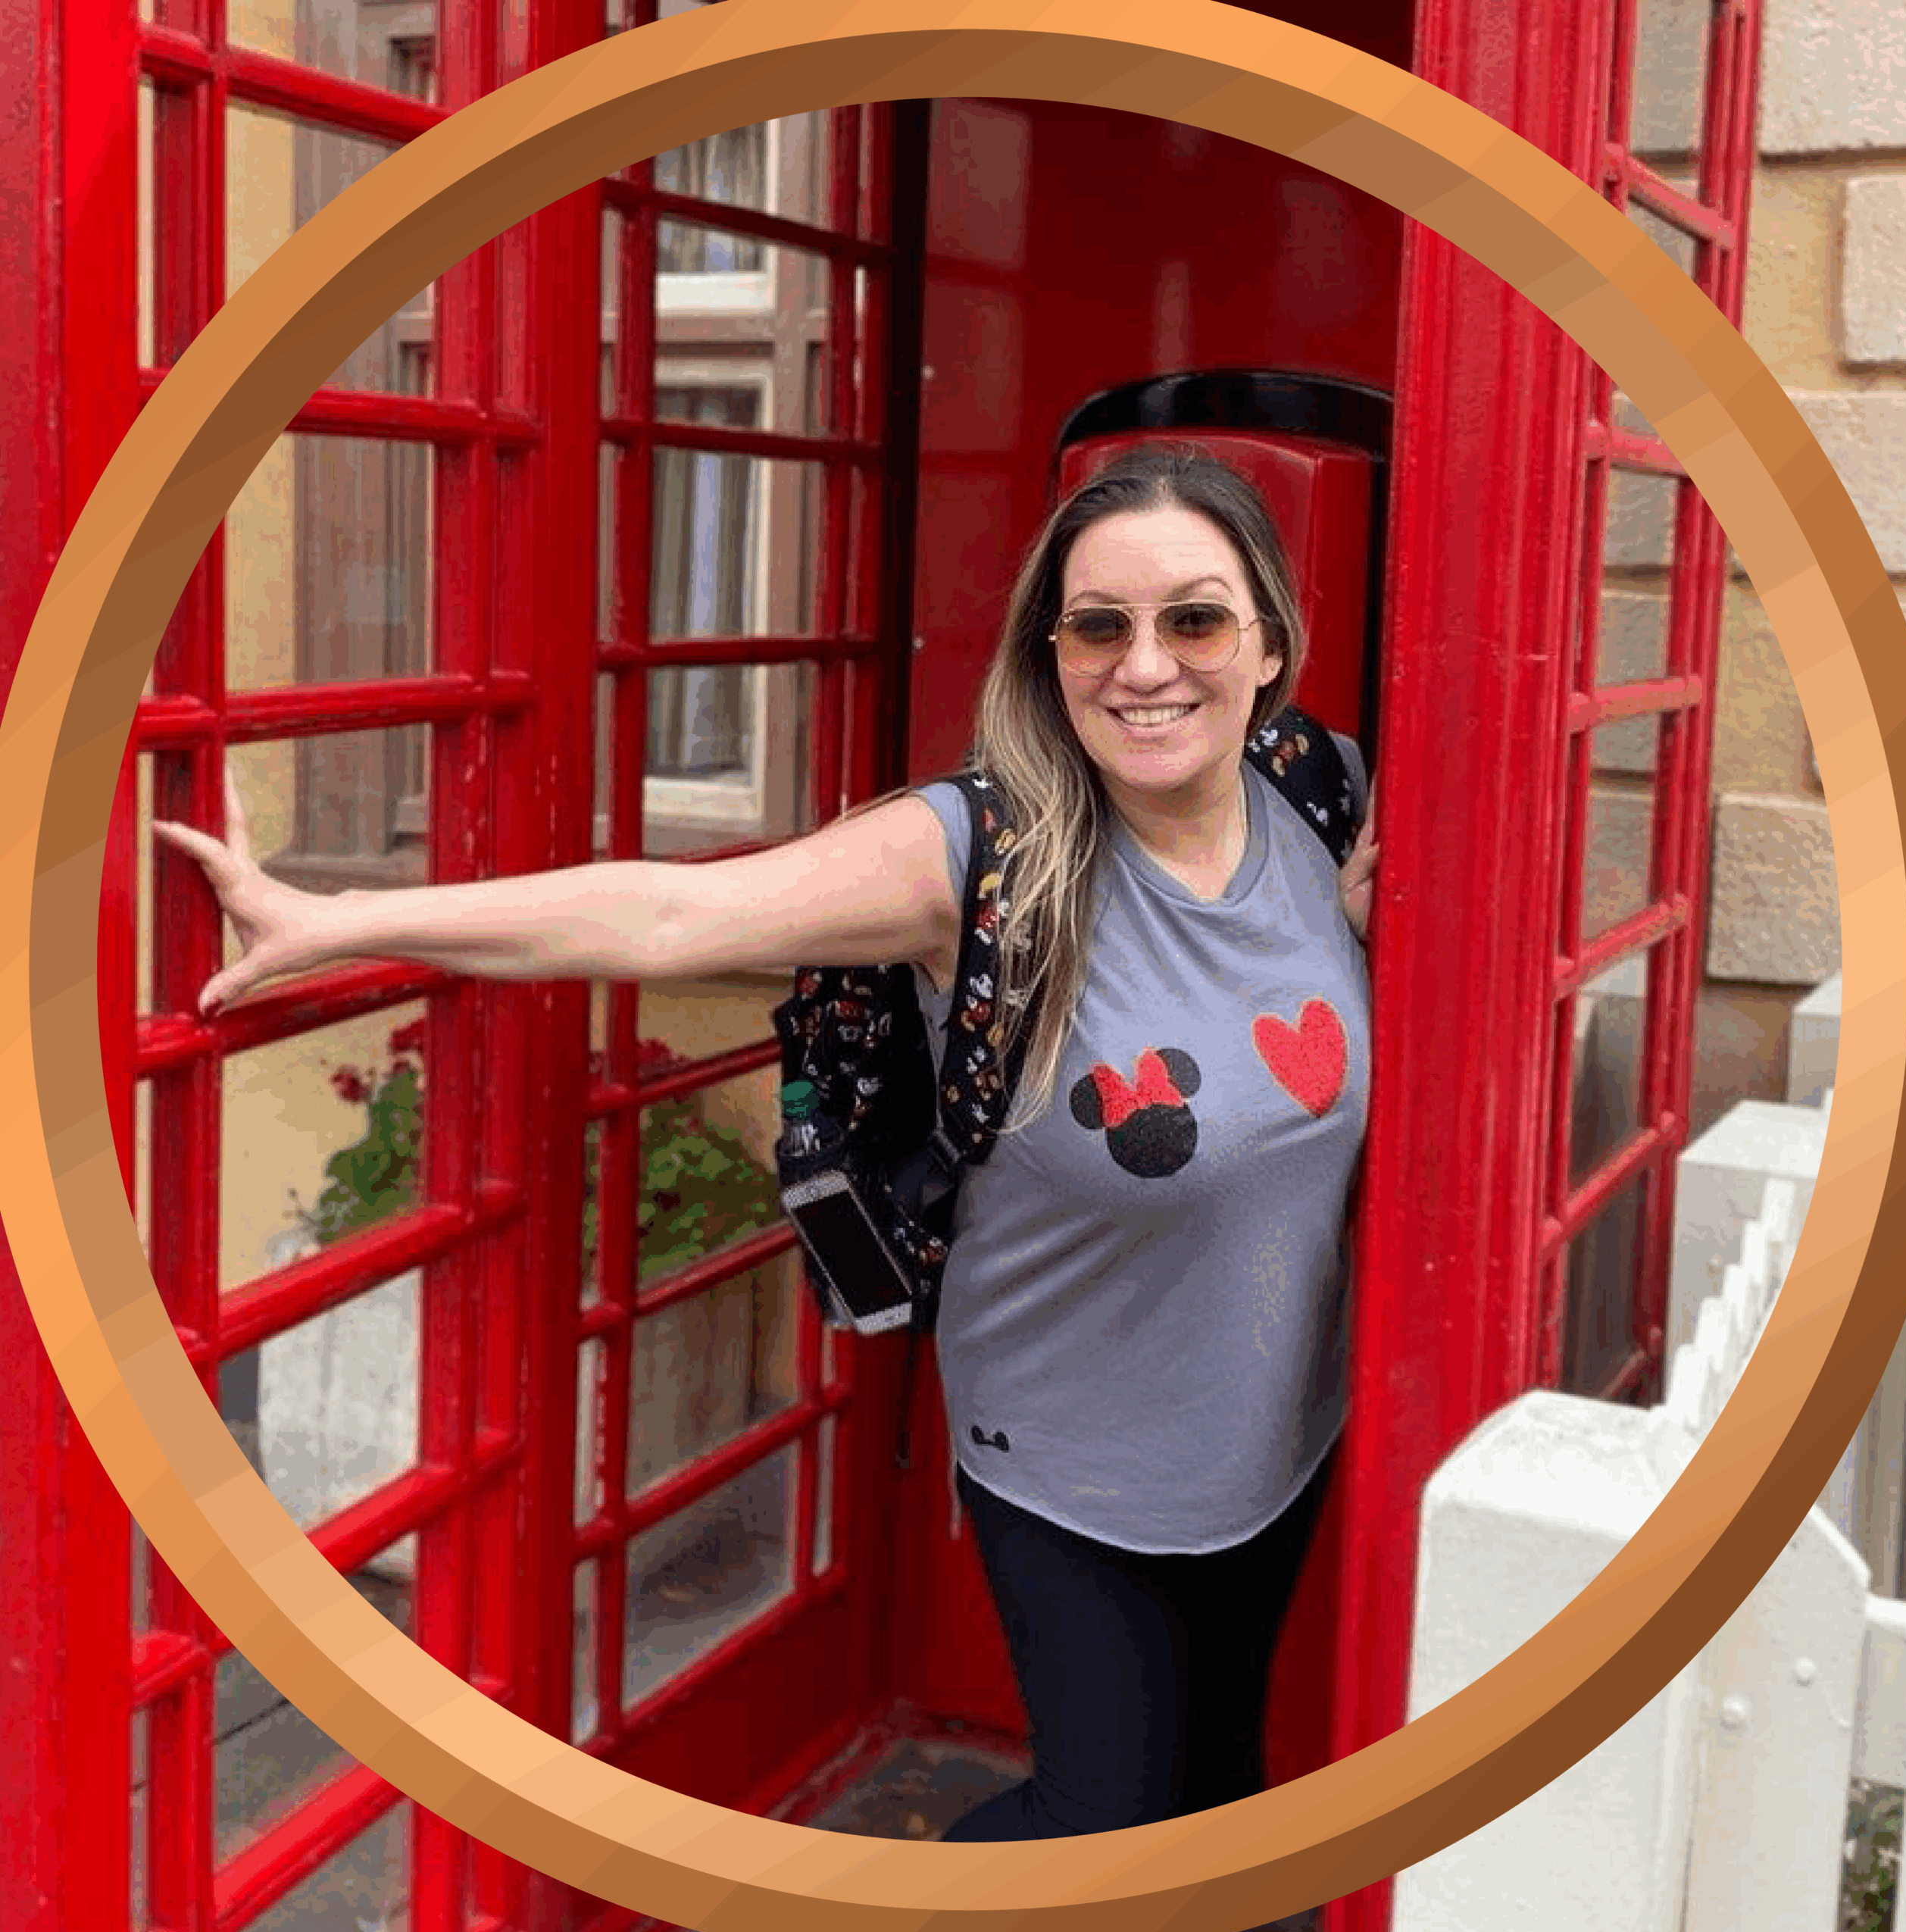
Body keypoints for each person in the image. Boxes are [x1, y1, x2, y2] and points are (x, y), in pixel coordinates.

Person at [155, 441, 1379, 1845]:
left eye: (1195, 619)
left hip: (1281, 1436)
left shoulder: (1320, 798)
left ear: (1271, 642)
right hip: (1072, 1453)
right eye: (1098, 625)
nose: (1145, 665)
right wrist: (329, 923)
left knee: (1219, 1793)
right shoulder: (977, 852)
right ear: (1052, 656)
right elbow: (669, 919)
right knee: (1102, 1824)